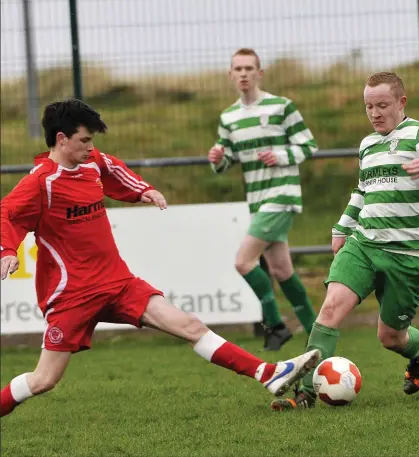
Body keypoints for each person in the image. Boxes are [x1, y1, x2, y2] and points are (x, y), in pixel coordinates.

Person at [0, 99, 322, 418]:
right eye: (84, 139)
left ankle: (268, 373)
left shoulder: (91, 162)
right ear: (61, 139)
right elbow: (8, 215)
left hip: (117, 282)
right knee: (43, 380)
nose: (90, 146)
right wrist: (8, 251)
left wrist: (143, 191)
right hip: (73, 296)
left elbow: (114, 171)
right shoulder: (41, 182)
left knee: (189, 325)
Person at [270, 71, 419, 411]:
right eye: (369, 106)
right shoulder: (368, 145)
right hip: (365, 243)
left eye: (382, 105)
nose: (375, 113)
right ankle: (306, 394)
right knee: (329, 310)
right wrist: (342, 227)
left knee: (390, 337)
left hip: (409, 253)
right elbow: (363, 190)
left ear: (402, 103)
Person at [208, 48, 318, 351]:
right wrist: (217, 157)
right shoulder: (228, 117)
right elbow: (225, 160)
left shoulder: (281, 107)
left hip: (281, 195)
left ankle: (275, 324)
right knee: (282, 271)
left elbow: (308, 144)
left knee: (243, 261)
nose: (243, 73)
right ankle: (316, 330)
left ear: (260, 73)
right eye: (238, 69)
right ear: (231, 74)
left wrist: (280, 155)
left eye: (249, 68)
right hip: (258, 200)